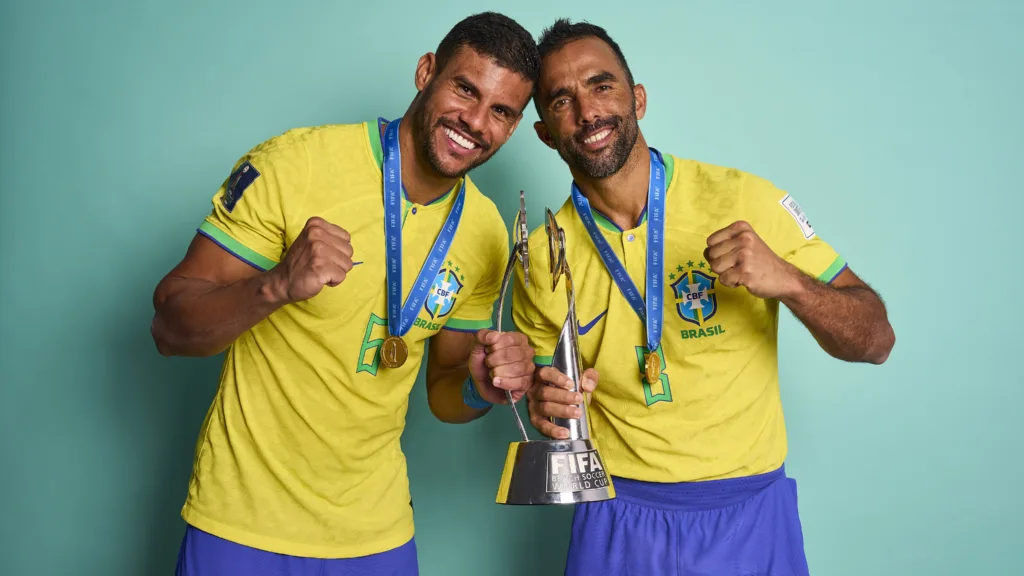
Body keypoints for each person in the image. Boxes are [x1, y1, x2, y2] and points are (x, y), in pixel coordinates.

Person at [151, 12, 539, 576]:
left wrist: (482, 389)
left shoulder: (485, 232)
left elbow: (443, 390)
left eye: (500, 111)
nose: (475, 120)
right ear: (426, 71)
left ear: (514, 126)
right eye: (465, 88)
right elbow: (169, 327)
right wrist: (277, 285)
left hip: (375, 537)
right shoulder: (295, 164)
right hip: (241, 525)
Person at [513, 18, 896, 576]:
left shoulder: (744, 199)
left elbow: (876, 340)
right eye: (562, 99)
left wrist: (786, 278)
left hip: (751, 516)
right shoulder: (542, 254)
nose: (588, 111)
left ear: (637, 98)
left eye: (602, 86)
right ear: (546, 132)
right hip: (617, 519)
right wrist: (548, 406)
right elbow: (549, 407)